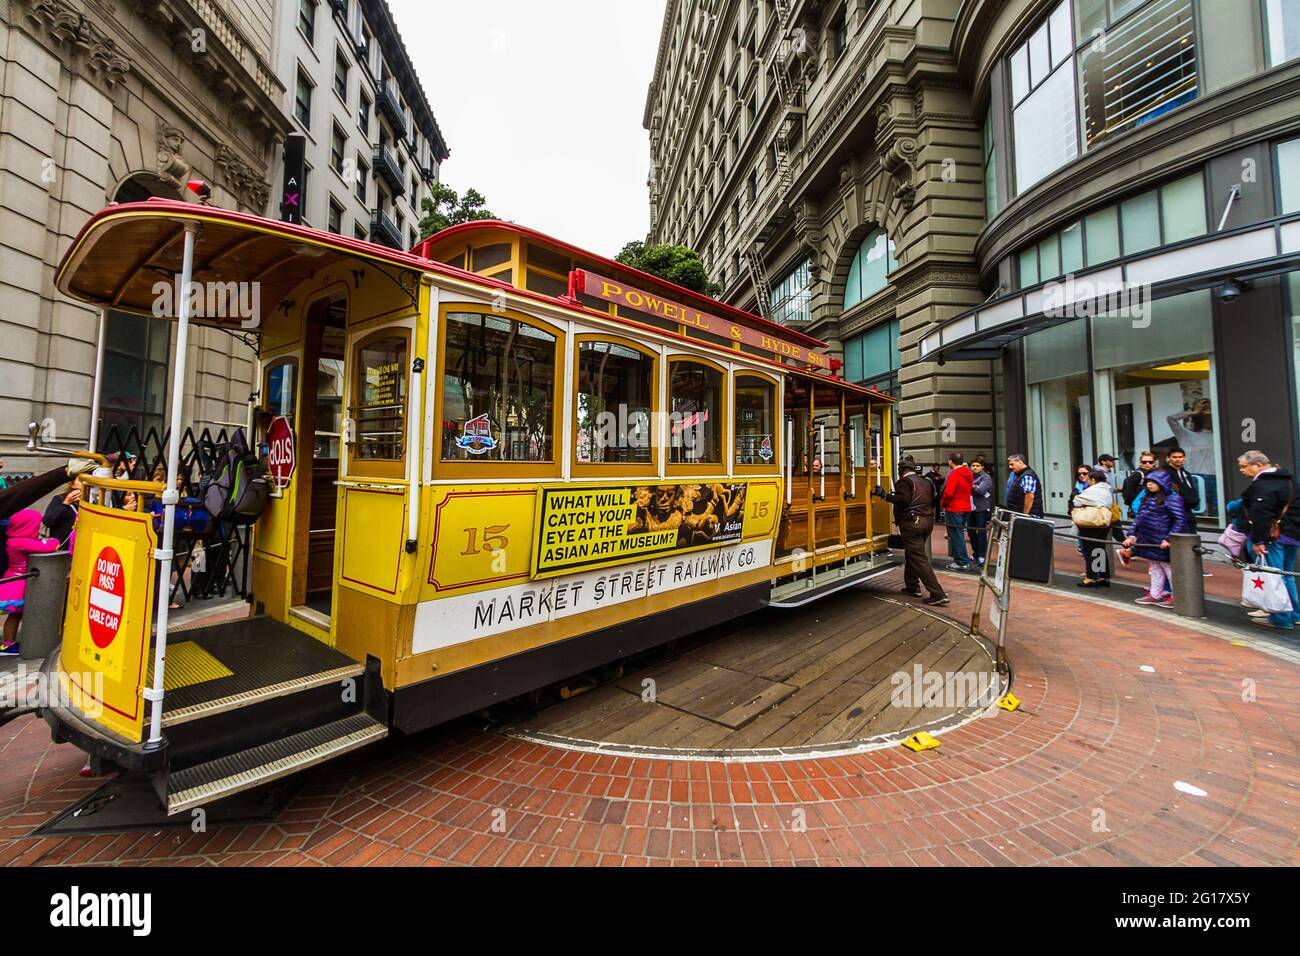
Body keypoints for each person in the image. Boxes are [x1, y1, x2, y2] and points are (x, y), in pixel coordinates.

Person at [1238, 450, 1300, 631]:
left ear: (1257, 465)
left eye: (1244, 466)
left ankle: (1281, 618)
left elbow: (1261, 514)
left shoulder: (1263, 485)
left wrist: (1258, 541)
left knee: (1274, 576)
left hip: (1273, 537)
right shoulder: (1289, 481)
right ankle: (1294, 614)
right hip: (1292, 535)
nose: (1242, 470)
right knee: (1287, 575)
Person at [874, 461, 948, 606]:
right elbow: (935, 500)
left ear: (901, 470)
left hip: (912, 523)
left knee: (919, 558)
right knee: (912, 553)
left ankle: (937, 593)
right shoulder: (926, 482)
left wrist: (885, 495)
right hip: (927, 521)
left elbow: (903, 500)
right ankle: (912, 586)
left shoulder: (904, 482)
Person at [1120, 470, 1192, 608]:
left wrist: (1169, 539)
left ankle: (1176, 596)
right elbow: (1139, 519)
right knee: (1155, 567)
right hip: (1149, 539)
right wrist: (1132, 534)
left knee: (1168, 568)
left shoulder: (1173, 498)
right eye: (1148, 482)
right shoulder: (1147, 498)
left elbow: (1180, 520)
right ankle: (1156, 594)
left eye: (1153, 482)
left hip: (1161, 540)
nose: (1149, 485)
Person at [0, 510, 63, 654]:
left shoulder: (15, 539)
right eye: (36, 525)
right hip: (19, 582)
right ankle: (8, 644)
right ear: (27, 526)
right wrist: (54, 542)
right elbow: (46, 547)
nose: (38, 527)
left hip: (19, 579)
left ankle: (9, 643)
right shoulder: (19, 541)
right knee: (16, 615)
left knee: (17, 615)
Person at [1071, 468, 1114, 588]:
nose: (1087, 481)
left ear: (1093, 480)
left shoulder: (1092, 490)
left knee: (1090, 549)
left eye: (1089, 479)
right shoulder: (1107, 490)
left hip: (1090, 522)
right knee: (1100, 549)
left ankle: (1091, 577)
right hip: (1103, 522)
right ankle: (1102, 576)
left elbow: (1077, 501)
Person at [940, 452, 974, 571]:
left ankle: (961, 561)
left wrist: (943, 504)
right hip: (966, 506)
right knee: (959, 534)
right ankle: (963, 559)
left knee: (956, 535)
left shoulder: (954, 474)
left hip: (954, 507)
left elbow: (948, 493)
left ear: (950, 461)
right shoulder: (968, 473)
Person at [42, 476, 82, 550]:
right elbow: (47, 521)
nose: (84, 483)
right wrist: (66, 503)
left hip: (82, 546)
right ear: (72, 484)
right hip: (62, 547)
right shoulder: (60, 499)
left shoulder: (94, 501)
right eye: (81, 480)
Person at [1162, 447, 1202, 516]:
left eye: (1180, 457)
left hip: (1188, 511)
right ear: (1168, 458)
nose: (1178, 459)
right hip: (1173, 512)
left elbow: (1192, 489)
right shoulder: (1164, 473)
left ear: (1184, 458)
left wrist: (1195, 500)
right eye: (1174, 457)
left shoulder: (1186, 474)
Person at [968, 458, 993, 566]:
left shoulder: (986, 477)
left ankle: (982, 555)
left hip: (981, 508)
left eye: (977, 465)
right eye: (973, 465)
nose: (974, 467)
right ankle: (975, 553)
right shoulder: (970, 476)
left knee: (981, 532)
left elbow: (981, 490)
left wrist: (970, 484)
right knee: (971, 532)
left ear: (982, 467)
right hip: (970, 508)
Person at [1122, 451, 1158, 517]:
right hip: (1139, 509)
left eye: (1150, 462)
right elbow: (1129, 493)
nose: (1147, 464)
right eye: (1144, 462)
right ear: (1140, 463)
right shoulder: (1137, 475)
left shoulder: (1154, 474)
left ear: (1154, 463)